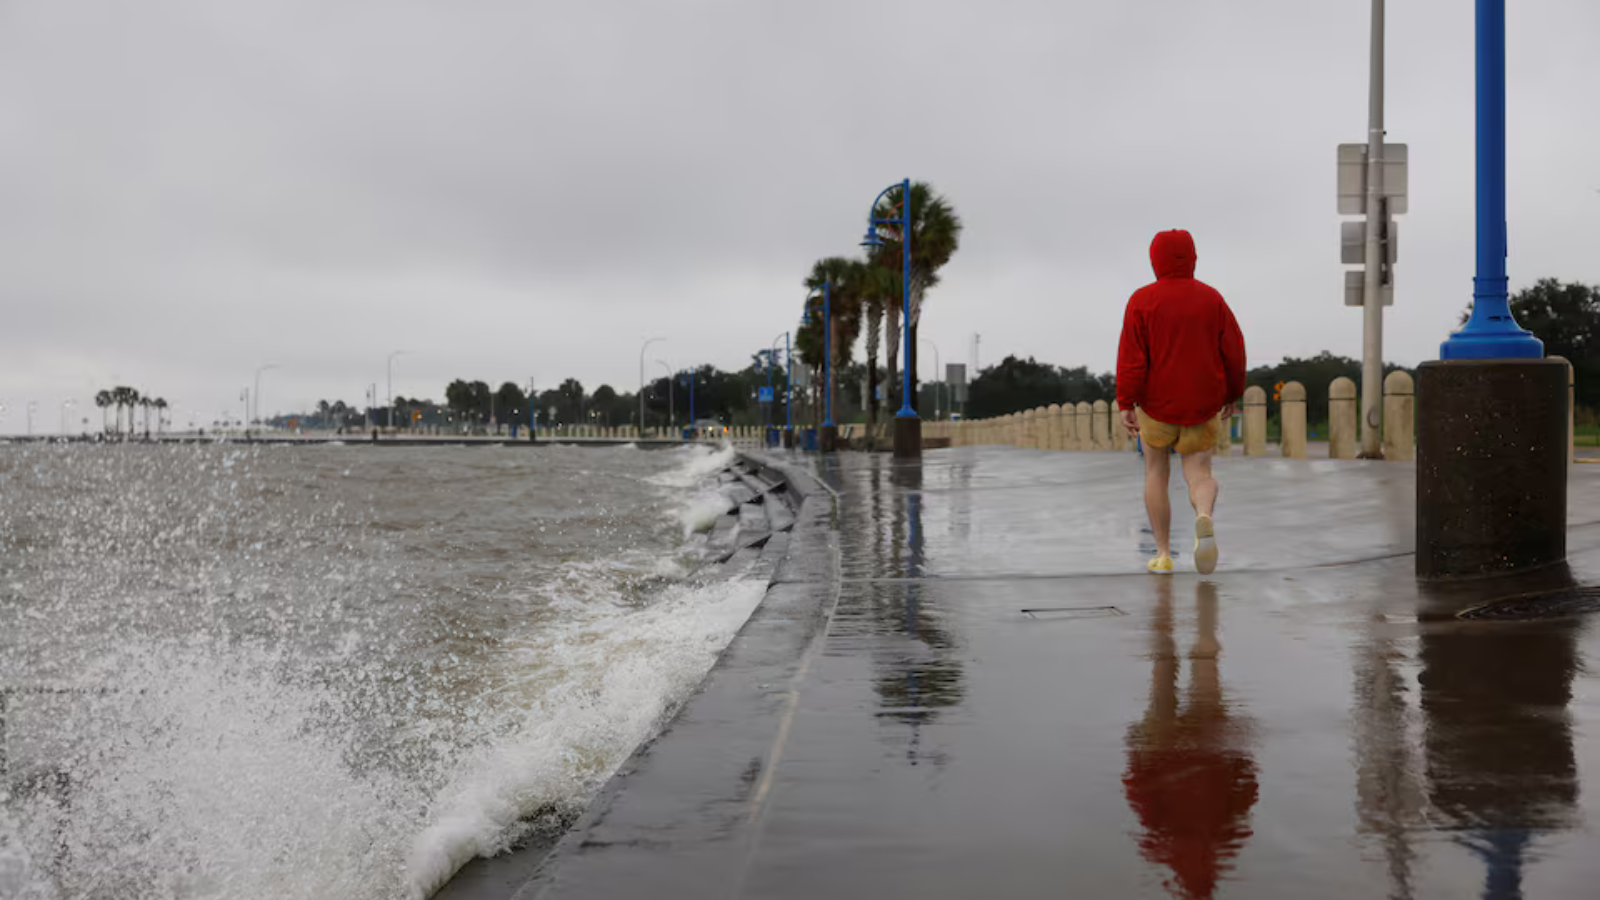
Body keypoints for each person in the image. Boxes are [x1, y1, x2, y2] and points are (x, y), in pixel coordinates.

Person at [1116, 229, 1246, 575]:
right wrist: (1233, 393)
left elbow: (1132, 357)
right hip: (1202, 405)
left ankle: (1162, 553)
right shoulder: (1212, 299)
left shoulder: (1141, 300)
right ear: (1193, 258)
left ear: (1154, 259)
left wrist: (1126, 401)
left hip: (1156, 407)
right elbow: (1233, 351)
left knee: (1156, 472)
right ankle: (1203, 516)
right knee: (1199, 472)